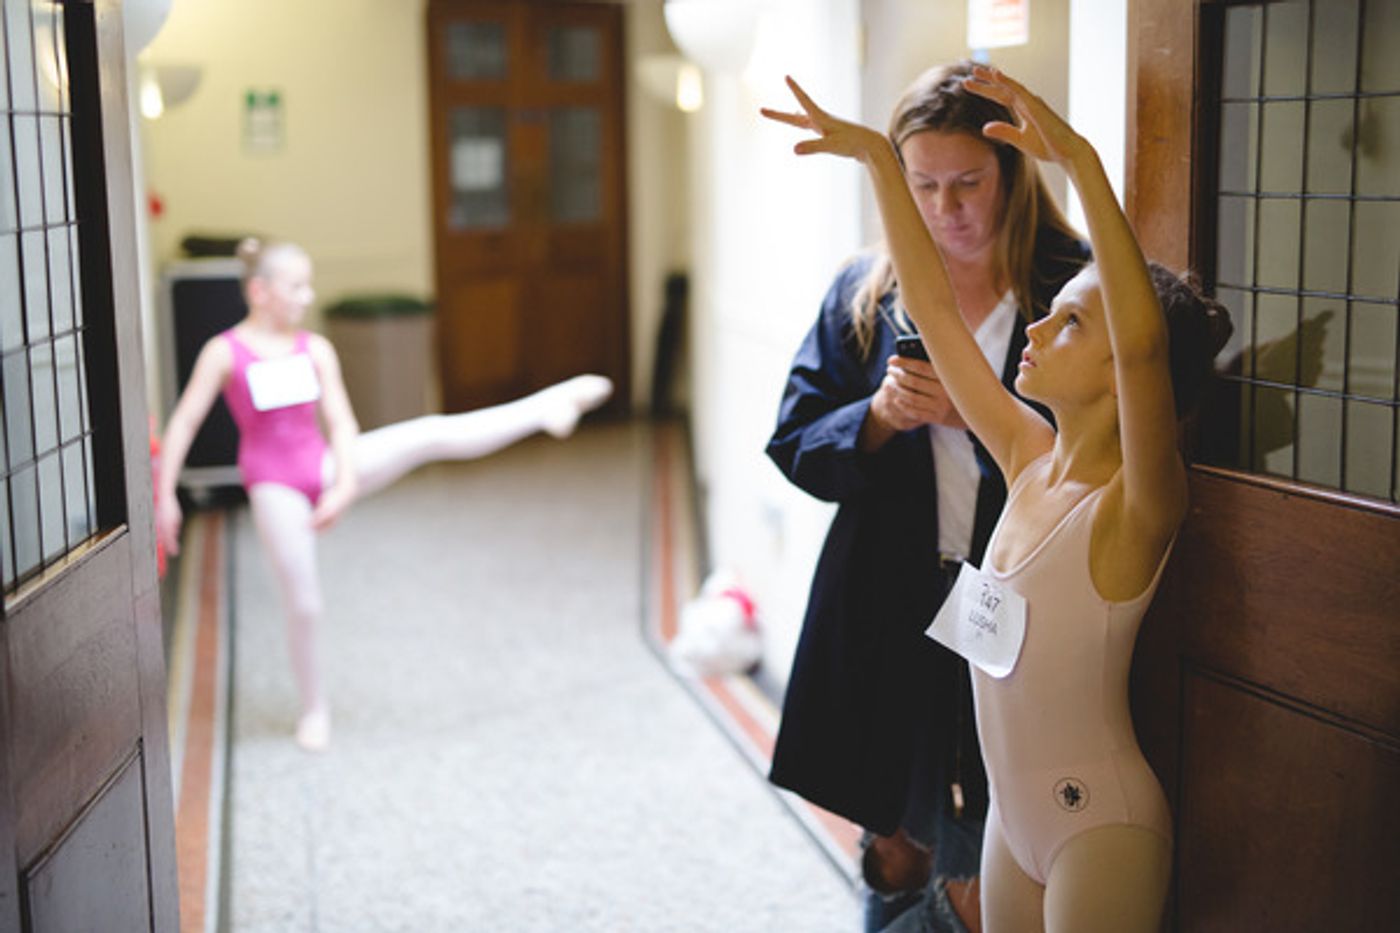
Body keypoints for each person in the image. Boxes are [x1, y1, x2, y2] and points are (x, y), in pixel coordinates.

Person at [762, 65, 1230, 932]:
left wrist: (1081, 162)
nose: (1039, 326)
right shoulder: (1028, 455)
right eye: (924, 185)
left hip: (1097, 821)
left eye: (1070, 321)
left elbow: (1141, 348)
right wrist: (876, 160)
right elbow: (934, 310)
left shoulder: (1138, 504)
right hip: (1016, 816)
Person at [763, 62, 1087, 931]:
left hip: (1017, 598)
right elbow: (794, 441)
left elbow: (1103, 463)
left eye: (968, 182)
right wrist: (874, 419)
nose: (947, 208)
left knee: (995, 841)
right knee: (893, 835)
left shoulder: (1070, 291)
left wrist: (980, 418)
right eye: (923, 185)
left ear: (1011, 172)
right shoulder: (864, 291)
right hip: (889, 588)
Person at [156, 238, 612, 752]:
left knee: (431, 433)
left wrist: (345, 482)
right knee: (304, 603)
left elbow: (341, 421)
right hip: (273, 484)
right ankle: (314, 709)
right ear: (260, 291)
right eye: (296, 287)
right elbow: (185, 421)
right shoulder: (224, 351)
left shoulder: (315, 348)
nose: (307, 296)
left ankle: (544, 408)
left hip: (324, 464)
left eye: (309, 285)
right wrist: (166, 494)